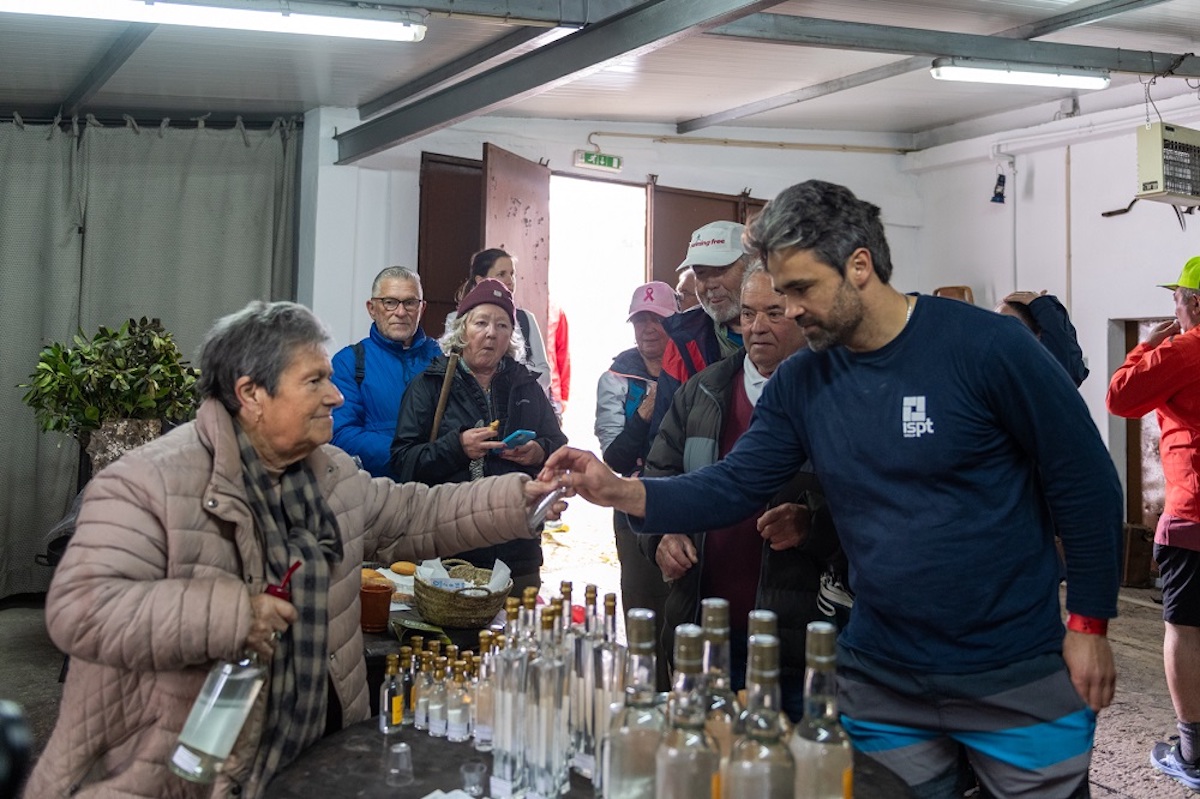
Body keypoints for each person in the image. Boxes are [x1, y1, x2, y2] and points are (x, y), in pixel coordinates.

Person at [542, 179, 1123, 799]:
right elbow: (738, 483)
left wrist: (1089, 624)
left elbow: (1084, 481)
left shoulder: (986, 348)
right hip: (881, 671)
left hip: (1013, 666)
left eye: (800, 290)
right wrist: (625, 492)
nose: (788, 311)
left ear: (860, 267)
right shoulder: (805, 380)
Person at [25, 300, 562, 799]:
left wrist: (519, 499)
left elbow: (414, 514)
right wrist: (234, 614)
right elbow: (82, 609)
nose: (334, 395)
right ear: (251, 394)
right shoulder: (146, 484)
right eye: (315, 381)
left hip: (315, 756)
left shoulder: (330, 474)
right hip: (175, 771)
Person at [644, 264, 834, 719]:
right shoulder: (702, 393)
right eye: (748, 315)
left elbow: (868, 509)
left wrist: (812, 526)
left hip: (794, 642)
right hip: (705, 632)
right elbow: (658, 474)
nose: (757, 327)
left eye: (774, 312)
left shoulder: (832, 397)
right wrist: (661, 538)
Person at [392, 279, 566, 595]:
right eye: (481, 322)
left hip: (519, 550)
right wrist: (457, 447)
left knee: (515, 637)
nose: (491, 333)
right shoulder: (429, 386)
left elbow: (559, 447)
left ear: (510, 336)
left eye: (502, 325)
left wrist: (538, 451)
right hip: (451, 551)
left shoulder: (526, 386)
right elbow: (404, 462)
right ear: (462, 330)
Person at [1106, 255, 1200, 792]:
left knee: (1185, 628)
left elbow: (1121, 398)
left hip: (1194, 516)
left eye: (1177, 297)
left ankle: (1193, 753)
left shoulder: (1186, 348)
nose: (1173, 307)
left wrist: (1148, 345)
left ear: (1194, 303)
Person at [594, 279, 677, 685]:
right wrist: (646, 412)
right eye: (640, 320)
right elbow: (614, 458)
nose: (648, 330)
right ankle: (649, 691)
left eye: (658, 320)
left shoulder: (697, 370)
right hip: (634, 505)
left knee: (686, 607)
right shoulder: (616, 379)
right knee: (642, 603)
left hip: (686, 501)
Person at [330, 266, 441, 477]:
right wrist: (412, 456)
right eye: (390, 302)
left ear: (422, 308)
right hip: (376, 492)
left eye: (410, 303)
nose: (401, 312)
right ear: (372, 308)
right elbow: (341, 434)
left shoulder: (443, 358)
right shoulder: (349, 362)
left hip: (438, 492)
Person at [651, 220, 750, 437]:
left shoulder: (793, 331)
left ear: (753, 267)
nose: (710, 284)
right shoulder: (683, 342)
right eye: (701, 273)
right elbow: (664, 437)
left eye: (722, 269)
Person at [451, 248, 554, 404]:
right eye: (501, 274)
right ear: (480, 280)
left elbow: (544, 374)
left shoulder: (525, 319)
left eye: (512, 274)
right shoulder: (455, 319)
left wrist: (517, 386)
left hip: (519, 405)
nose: (509, 280)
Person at [995, 289, 1089, 386]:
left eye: (1008, 326)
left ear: (1037, 337)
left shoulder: (1036, 381)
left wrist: (1046, 310)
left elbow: (1065, 371)